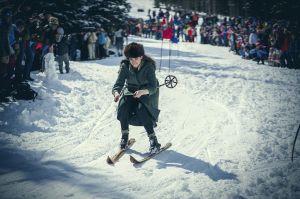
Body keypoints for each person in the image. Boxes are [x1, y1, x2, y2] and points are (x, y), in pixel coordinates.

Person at [112, 42, 161, 153]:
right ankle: (124, 136)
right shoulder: (125, 66)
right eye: (131, 59)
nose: (133, 61)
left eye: (136, 59)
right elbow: (118, 84)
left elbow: (153, 87)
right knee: (123, 108)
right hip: (130, 91)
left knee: (141, 110)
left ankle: (153, 140)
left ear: (141, 57)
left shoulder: (148, 66)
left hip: (146, 92)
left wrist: (143, 92)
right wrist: (116, 93)